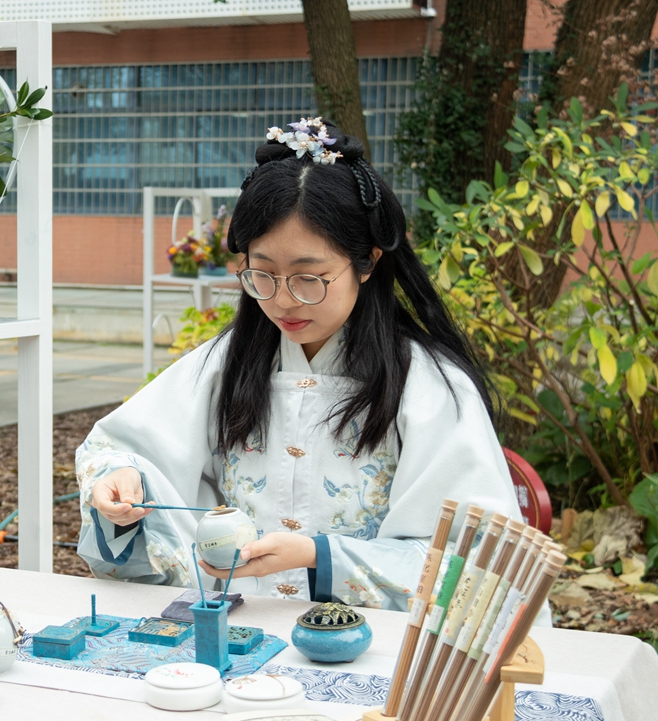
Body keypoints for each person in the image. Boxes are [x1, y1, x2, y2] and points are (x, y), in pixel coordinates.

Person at [76, 119, 520, 611]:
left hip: (367, 646)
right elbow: (125, 450)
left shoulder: (427, 385)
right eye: (262, 274)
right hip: (237, 629)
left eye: (309, 277)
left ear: (368, 261)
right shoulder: (227, 363)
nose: (283, 301)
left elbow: (478, 561)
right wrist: (120, 483)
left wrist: (318, 556)